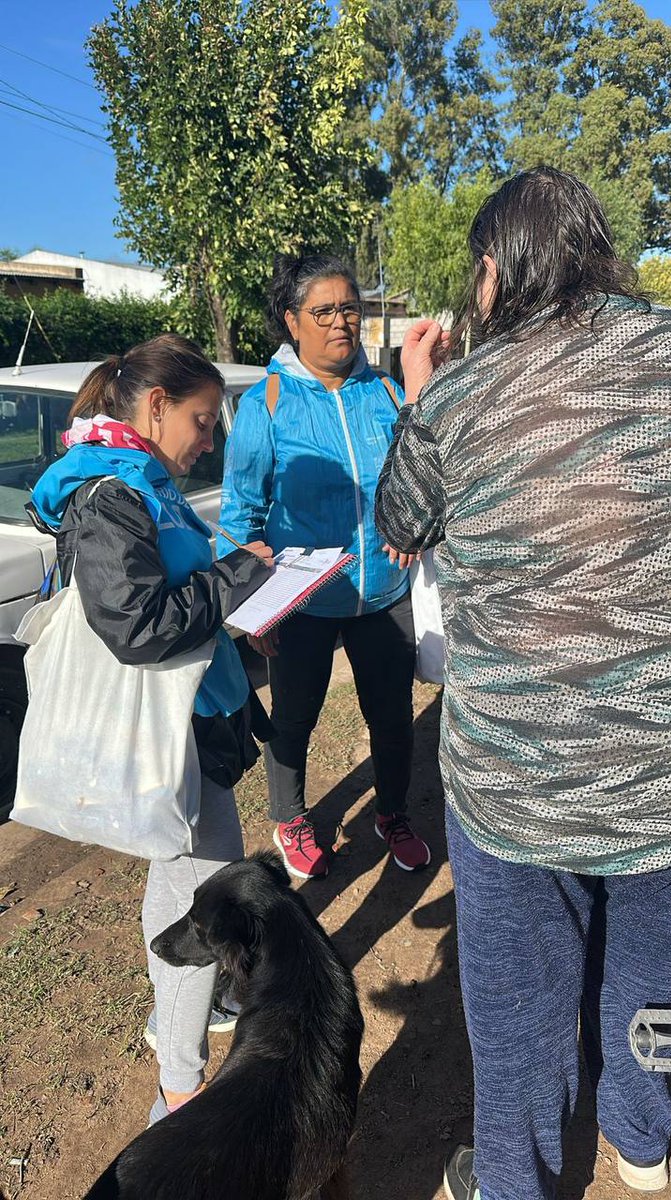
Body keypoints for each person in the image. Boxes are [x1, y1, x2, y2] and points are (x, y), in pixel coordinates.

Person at [375, 167, 671, 1200]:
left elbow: (398, 527)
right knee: (656, 978)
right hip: (664, 774)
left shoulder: (457, 398)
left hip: (516, 784)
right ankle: (644, 1142)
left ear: (493, 269)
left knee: (520, 1020)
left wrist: (422, 400)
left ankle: (522, 1181)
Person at [28, 334, 274, 1125]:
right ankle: (179, 1087)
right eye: (202, 422)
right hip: (166, 734)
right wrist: (239, 580)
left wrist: (239, 613)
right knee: (205, 897)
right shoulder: (111, 494)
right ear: (157, 407)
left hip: (189, 725)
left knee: (183, 884)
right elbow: (135, 625)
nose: (209, 441)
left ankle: (182, 1024)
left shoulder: (143, 482)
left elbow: (173, 598)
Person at [218, 252, 431, 879]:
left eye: (350, 309)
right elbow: (240, 514)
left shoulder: (387, 391)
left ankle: (391, 812)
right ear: (292, 320)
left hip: (383, 591)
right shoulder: (268, 403)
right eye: (324, 311)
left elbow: (415, 478)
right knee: (295, 716)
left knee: (392, 716)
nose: (342, 322)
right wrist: (255, 607)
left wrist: (413, 525)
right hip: (302, 599)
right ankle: (289, 817)